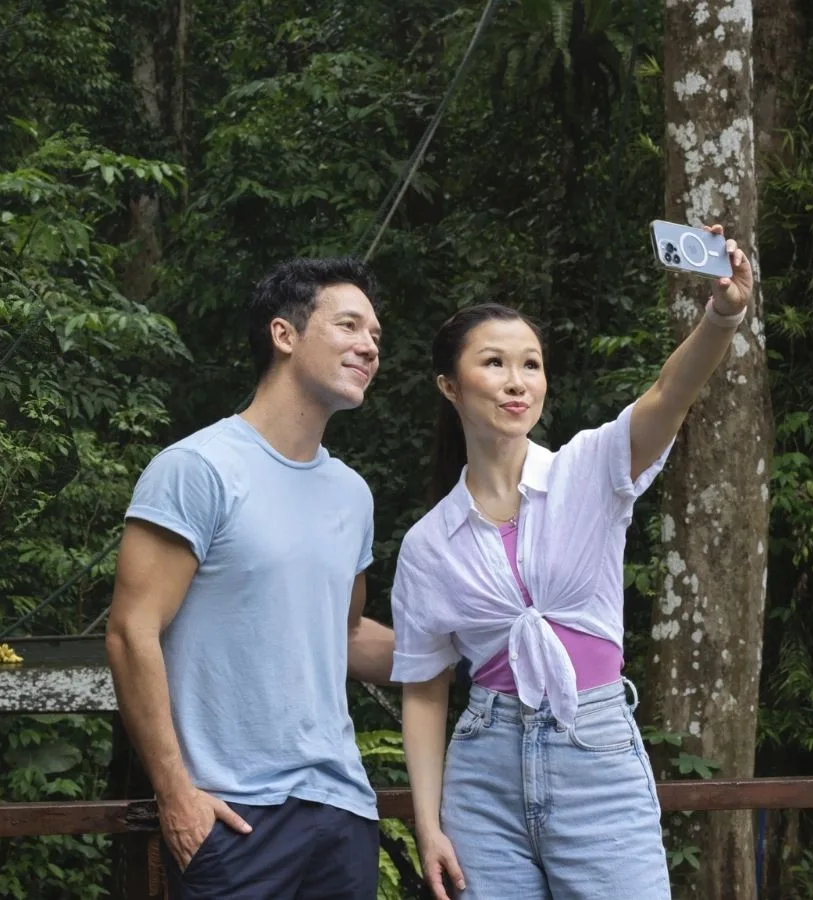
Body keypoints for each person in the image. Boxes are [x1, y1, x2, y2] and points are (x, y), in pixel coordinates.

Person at [391, 225, 756, 899]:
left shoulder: (588, 469)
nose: (516, 382)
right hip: (483, 774)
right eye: (494, 363)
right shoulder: (428, 544)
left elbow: (669, 395)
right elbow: (424, 688)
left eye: (530, 365)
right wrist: (428, 823)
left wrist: (722, 315)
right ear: (449, 385)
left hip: (596, 748)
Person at [104, 257, 397, 900]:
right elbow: (130, 632)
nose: (369, 346)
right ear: (283, 334)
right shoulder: (198, 468)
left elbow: (344, 636)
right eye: (349, 325)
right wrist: (176, 793)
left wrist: (472, 650)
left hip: (342, 810)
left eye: (376, 334)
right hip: (233, 815)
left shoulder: (352, 494)